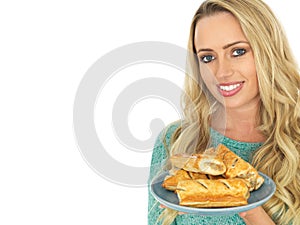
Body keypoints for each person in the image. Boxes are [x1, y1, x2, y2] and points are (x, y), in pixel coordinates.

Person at [148, 0, 300, 224]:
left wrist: (249, 208)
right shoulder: (174, 141)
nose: (222, 72)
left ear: (268, 52)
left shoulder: (294, 143)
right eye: (207, 58)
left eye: (238, 52)